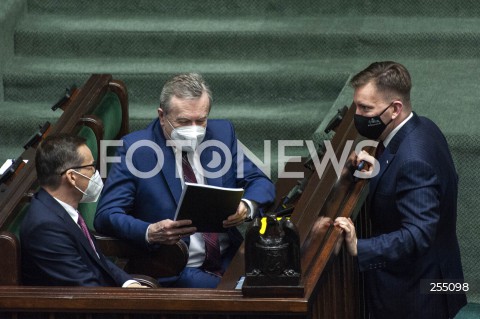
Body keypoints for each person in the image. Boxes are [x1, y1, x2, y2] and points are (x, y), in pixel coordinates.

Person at [94, 73, 275, 288]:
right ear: (162, 116)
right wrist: (150, 231)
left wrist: (246, 206)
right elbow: (106, 215)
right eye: (183, 122)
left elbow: (260, 181)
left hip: (230, 257)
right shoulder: (136, 150)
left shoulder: (221, 134)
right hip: (175, 267)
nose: (194, 129)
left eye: (201, 120)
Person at [335, 61, 467, 318]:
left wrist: (358, 246)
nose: (358, 115)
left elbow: (418, 234)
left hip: (416, 294)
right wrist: (373, 168)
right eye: (357, 106)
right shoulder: (423, 126)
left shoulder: (414, 160)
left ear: (395, 108)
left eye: (366, 108)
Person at [21, 134, 145, 288]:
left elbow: (98, 259)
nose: (96, 173)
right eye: (91, 167)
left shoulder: (60, 208)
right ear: (72, 177)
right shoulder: (46, 228)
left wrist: (129, 283)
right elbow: (85, 290)